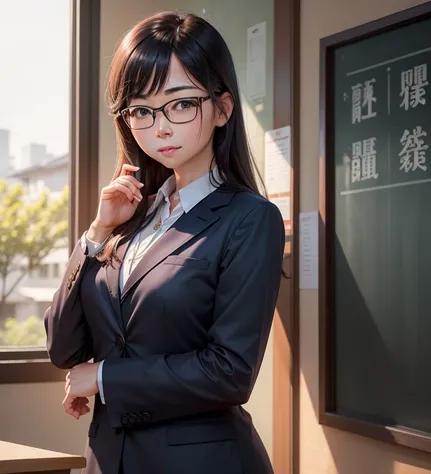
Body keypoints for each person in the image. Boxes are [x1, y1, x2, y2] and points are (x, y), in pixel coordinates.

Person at [44, 10, 284, 474]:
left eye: (180, 103)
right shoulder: (131, 217)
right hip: (110, 459)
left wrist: (104, 377)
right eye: (141, 109)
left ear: (223, 108)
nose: (160, 127)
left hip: (204, 462)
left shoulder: (250, 219)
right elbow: (63, 349)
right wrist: (96, 234)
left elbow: (229, 371)